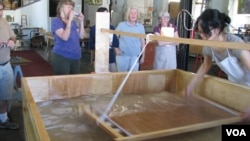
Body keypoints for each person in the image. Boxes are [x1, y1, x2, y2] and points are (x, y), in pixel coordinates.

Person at [185, 9, 250, 120]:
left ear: (217, 29)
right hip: (235, 84)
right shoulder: (209, 46)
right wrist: (191, 86)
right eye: (200, 32)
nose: (202, 36)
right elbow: (205, 65)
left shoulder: (235, 44)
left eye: (205, 32)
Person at [51, 0, 85, 75]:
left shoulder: (73, 23)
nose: (71, 10)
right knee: (62, 83)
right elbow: (64, 37)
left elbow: (81, 36)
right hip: (62, 56)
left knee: (73, 83)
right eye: (68, 7)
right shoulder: (56, 21)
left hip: (75, 56)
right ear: (61, 8)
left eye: (72, 8)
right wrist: (69, 20)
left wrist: (81, 22)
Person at [0, 1, 19, 129]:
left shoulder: (4, 21)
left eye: (1, 9)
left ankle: (4, 118)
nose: (0, 13)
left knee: (5, 94)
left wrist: (11, 41)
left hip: (6, 63)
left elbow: (13, 36)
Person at [115, 7, 145, 72]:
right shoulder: (121, 25)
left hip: (135, 57)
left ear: (137, 15)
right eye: (131, 13)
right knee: (121, 77)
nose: (133, 15)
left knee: (133, 78)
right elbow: (114, 38)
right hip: (122, 57)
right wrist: (116, 50)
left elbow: (142, 42)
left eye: (135, 13)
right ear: (128, 14)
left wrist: (143, 56)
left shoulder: (141, 27)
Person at [89, 7, 119, 72]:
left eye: (107, 15)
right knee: (100, 79)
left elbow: (116, 43)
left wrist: (110, 43)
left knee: (113, 78)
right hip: (99, 60)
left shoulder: (111, 27)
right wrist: (100, 43)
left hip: (111, 59)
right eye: (103, 15)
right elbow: (90, 46)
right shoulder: (94, 29)